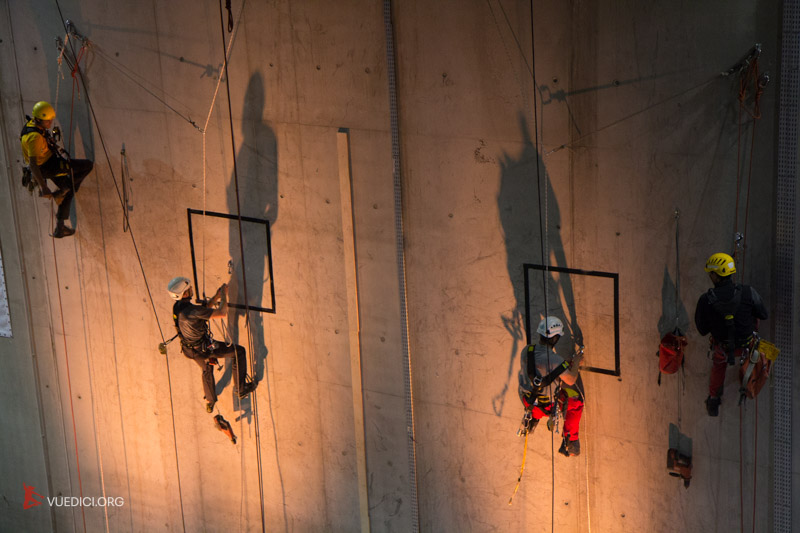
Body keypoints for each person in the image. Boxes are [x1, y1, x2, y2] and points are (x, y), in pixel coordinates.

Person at [167, 276, 257, 412]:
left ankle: (210, 400)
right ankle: (241, 389)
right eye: (189, 288)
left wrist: (215, 297)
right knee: (238, 352)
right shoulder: (192, 311)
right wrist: (224, 296)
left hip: (189, 350)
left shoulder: (178, 307)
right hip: (203, 349)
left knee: (206, 369)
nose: (191, 289)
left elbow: (201, 312)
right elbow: (221, 313)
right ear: (184, 294)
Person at [694, 252, 768, 416]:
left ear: (716, 275)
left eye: (711, 273)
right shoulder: (748, 292)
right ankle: (751, 384)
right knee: (760, 354)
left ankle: (714, 399)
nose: (710, 276)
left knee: (718, 366)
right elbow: (763, 314)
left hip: (723, 348)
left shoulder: (706, 300)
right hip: (747, 345)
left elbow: (702, 330)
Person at [20, 101, 93, 237]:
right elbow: (33, 164)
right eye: (48, 121)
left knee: (69, 190)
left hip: (48, 162)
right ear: (39, 119)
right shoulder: (34, 137)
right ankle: (63, 190)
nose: (50, 123)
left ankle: (60, 228)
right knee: (87, 165)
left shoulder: (32, 125)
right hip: (48, 166)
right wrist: (44, 187)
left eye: (51, 120)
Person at [518, 316, 585, 457]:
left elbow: (542, 366)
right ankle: (571, 442)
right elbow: (571, 380)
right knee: (576, 403)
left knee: (536, 395)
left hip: (528, 401)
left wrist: (561, 365)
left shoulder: (527, 350)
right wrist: (576, 363)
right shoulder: (555, 360)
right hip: (548, 405)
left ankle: (533, 419)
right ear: (555, 338)